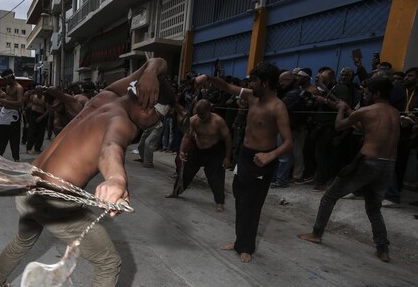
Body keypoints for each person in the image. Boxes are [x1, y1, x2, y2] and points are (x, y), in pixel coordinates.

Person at [0, 57, 173, 287]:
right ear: (149, 108)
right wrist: (115, 178)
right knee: (110, 263)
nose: (157, 124)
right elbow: (112, 148)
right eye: (160, 118)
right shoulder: (122, 122)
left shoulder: (107, 95)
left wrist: (150, 70)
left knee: (23, 240)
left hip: (29, 184)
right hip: (53, 201)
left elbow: (156, 62)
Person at [195, 62, 292, 262]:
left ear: (264, 83)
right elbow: (227, 87)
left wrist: (270, 156)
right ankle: (240, 241)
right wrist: (209, 78)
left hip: (262, 160)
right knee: (240, 200)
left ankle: (247, 246)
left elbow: (289, 142)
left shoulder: (278, 107)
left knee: (252, 205)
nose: (250, 83)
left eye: (254, 80)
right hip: (246, 157)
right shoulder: (251, 96)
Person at [298, 77, 400, 262]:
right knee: (374, 208)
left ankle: (316, 234)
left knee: (329, 196)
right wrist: (350, 110)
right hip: (387, 165)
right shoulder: (394, 112)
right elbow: (367, 128)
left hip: (368, 161)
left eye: (367, 92)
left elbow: (339, 126)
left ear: (376, 93)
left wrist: (340, 110)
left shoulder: (367, 110)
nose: (365, 94)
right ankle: (382, 248)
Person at [165, 99, 232, 212]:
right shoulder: (194, 120)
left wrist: (227, 157)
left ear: (209, 111)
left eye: (202, 114)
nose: (200, 116)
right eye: (198, 113)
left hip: (214, 152)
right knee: (185, 171)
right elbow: (186, 137)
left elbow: (228, 138)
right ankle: (175, 192)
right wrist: (182, 150)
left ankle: (220, 202)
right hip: (198, 150)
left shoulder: (218, 121)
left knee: (216, 177)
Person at [0, 69, 24, 161]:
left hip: (13, 115)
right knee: (0, 136)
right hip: (4, 113)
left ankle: (16, 158)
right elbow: (8, 100)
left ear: (10, 78)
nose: (5, 82)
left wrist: (5, 101)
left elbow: (20, 103)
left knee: (14, 138)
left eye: (6, 80)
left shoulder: (19, 88)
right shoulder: (8, 87)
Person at [26, 85, 48, 154]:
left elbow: (48, 110)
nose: (38, 93)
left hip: (41, 115)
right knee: (32, 132)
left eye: (40, 91)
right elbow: (28, 104)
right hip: (33, 114)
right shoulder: (33, 97)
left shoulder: (44, 99)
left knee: (40, 133)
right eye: (37, 91)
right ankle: (28, 148)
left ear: (42, 92)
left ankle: (37, 148)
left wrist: (41, 117)